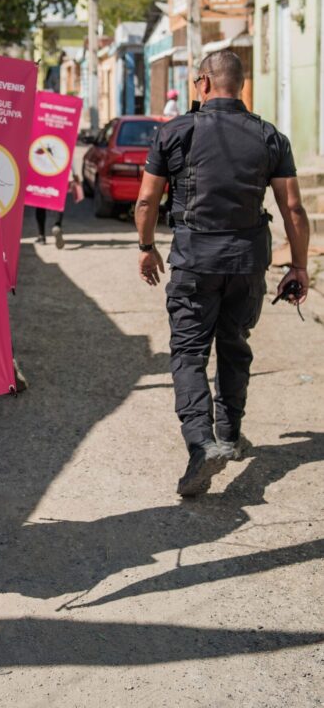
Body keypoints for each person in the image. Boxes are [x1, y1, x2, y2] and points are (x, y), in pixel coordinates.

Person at [134, 50, 309, 497]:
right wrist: (300, 266)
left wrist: (147, 248)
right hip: (248, 263)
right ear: (241, 85)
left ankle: (201, 445)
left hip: (194, 260)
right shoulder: (271, 137)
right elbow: (292, 207)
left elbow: (146, 202)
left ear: (205, 84)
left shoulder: (174, 133)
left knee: (189, 353)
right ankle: (228, 433)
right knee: (234, 345)